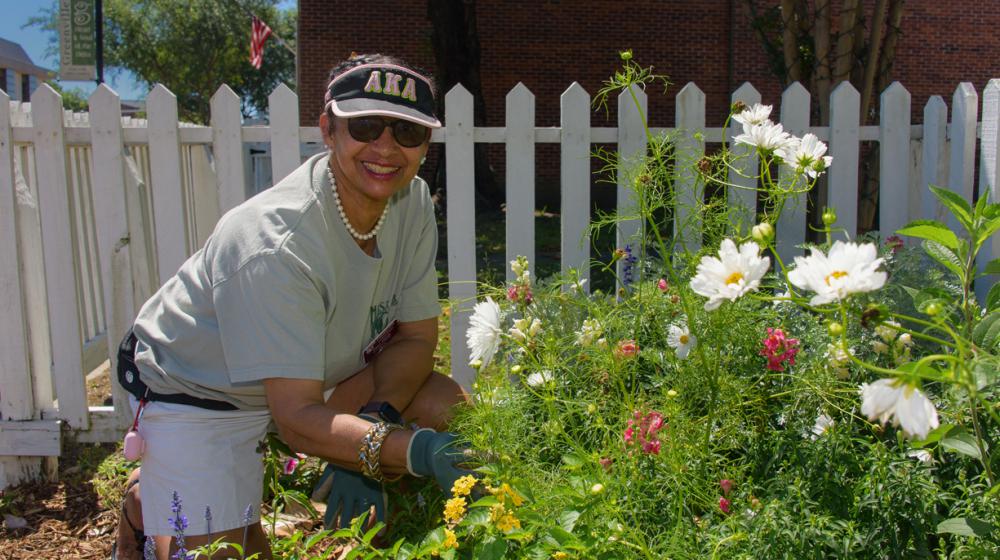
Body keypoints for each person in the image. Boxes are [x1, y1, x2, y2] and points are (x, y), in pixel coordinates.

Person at [111, 53, 471, 560]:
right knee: (231, 554)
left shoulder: (409, 202)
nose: (386, 148)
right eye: (365, 125)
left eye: (407, 132)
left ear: (425, 145)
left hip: (305, 375)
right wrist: (408, 451)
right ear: (329, 129)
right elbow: (299, 416)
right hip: (196, 389)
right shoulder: (275, 243)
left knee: (442, 404)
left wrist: (375, 420)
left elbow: (415, 338)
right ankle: (148, 506)